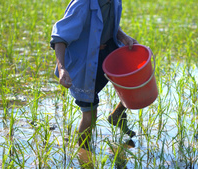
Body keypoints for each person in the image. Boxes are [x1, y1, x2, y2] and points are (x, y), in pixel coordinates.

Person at [50, 0, 138, 149]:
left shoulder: (114, 1)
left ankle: (117, 115)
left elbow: (109, 24)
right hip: (85, 61)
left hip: (107, 50)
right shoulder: (82, 4)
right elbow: (60, 37)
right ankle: (84, 154)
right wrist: (62, 68)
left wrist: (123, 37)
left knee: (134, 79)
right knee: (90, 114)